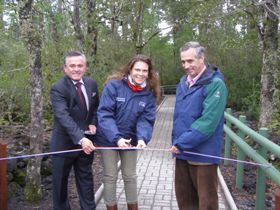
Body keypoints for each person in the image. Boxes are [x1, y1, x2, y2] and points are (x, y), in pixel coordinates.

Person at [95, 54, 160, 210]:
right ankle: (111, 207)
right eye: (137, 69)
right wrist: (117, 138)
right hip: (108, 138)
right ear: (130, 69)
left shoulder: (149, 93)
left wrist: (142, 138)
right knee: (110, 176)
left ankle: (133, 207)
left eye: (145, 71)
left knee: (130, 175)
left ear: (149, 73)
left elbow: (146, 119)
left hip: (131, 139)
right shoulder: (114, 86)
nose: (140, 73)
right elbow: (105, 114)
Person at [169, 41, 228, 210]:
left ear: (201, 59)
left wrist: (181, 143)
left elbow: (208, 122)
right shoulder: (183, 82)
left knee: (206, 202)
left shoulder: (215, 84)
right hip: (181, 152)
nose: (186, 66)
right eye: (183, 62)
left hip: (203, 155)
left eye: (190, 61)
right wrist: (178, 144)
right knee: (185, 200)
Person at [50, 51, 99, 210]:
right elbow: (63, 116)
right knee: (60, 186)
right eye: (72, 66)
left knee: (86, 180)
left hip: (86, 145)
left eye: (80, 65)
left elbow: (96, 108)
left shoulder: (91, 83)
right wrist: (81, 138)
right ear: (65, 68)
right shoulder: (58, 88)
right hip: (63, 145)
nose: (76, 69)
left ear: (85, 67)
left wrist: (93, 122)